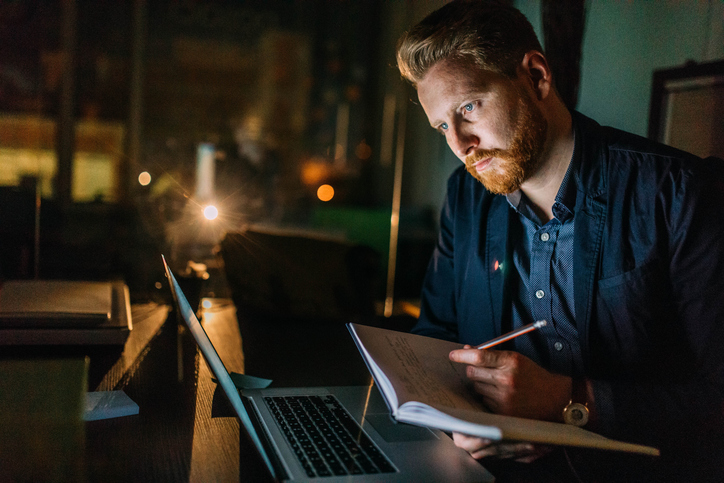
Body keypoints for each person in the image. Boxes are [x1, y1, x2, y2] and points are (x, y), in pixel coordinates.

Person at [395, 1, 724, 481]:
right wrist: (457, 419)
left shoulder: (679, 192)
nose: (460, 144)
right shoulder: (465, 194)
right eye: (443, 125)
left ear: (536, 76)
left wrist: (571, 401)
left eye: (468, 107)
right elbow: (435, 335)